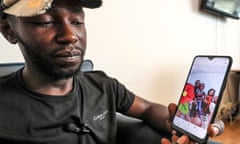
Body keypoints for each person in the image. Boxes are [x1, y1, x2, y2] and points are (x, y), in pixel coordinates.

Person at [0, 0, 222, 144]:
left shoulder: (103, 85)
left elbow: (146, 109)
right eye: (45, 21)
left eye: (77, 21)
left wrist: (176, 123)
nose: (70, 35)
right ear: (9, 31)